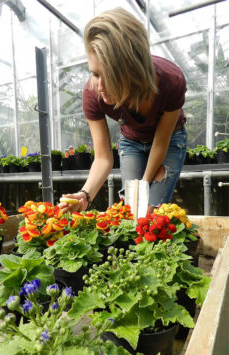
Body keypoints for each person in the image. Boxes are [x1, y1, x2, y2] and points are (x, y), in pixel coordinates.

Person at [59, 7, 187, 214]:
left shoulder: (172, 81)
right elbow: (102, 157)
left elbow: (161, 140)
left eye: (109, 76)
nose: (100, 87)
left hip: (169, 140)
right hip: (132, 141)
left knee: (150, 210)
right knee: (132, 209)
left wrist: (143, 185)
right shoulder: (93, 94)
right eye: (95, 74)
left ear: (132, 70)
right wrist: (86, 194)